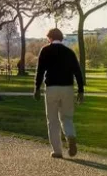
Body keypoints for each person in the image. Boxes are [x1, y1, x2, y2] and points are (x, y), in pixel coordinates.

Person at [34, 28, 85, 159]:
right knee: (67, 117)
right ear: (61, 38)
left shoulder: (45, 50)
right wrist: (81, 90)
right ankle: (70, 136)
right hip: (67, 88)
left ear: (50, 38)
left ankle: (57, 151)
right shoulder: (69, 52)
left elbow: (40, 71)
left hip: (52, 87)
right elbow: (77, 72)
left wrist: (37, 88)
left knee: (52, 120)